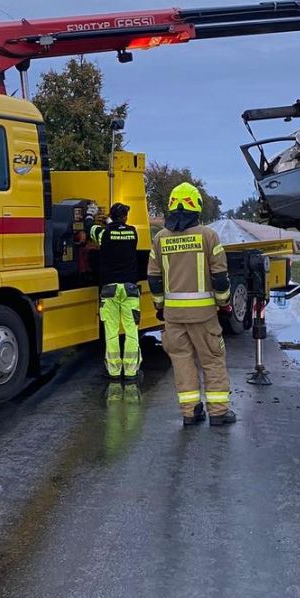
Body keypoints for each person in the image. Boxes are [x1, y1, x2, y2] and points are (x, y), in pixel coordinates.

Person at [147, 182, 236, 427]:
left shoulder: (160, 238)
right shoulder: (208, 236)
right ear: (195, 206)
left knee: (182, 362)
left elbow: (154, 278)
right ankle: (218, 412)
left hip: (173, 316)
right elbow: (220, 276)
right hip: (204, 315)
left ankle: (190, 412)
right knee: (212, 360)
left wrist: (160, 306)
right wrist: (223, 303)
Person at [85, 202, 142, 380]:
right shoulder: (132, 232)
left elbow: (90, 228)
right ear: (125, 217)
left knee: (111, 331)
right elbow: (121, 233)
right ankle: (132, 372)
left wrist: (90, 215)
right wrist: (111, 222)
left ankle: (114, 372)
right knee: (131, 330)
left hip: (109, 289)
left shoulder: (104, 234)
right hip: (130, 289)